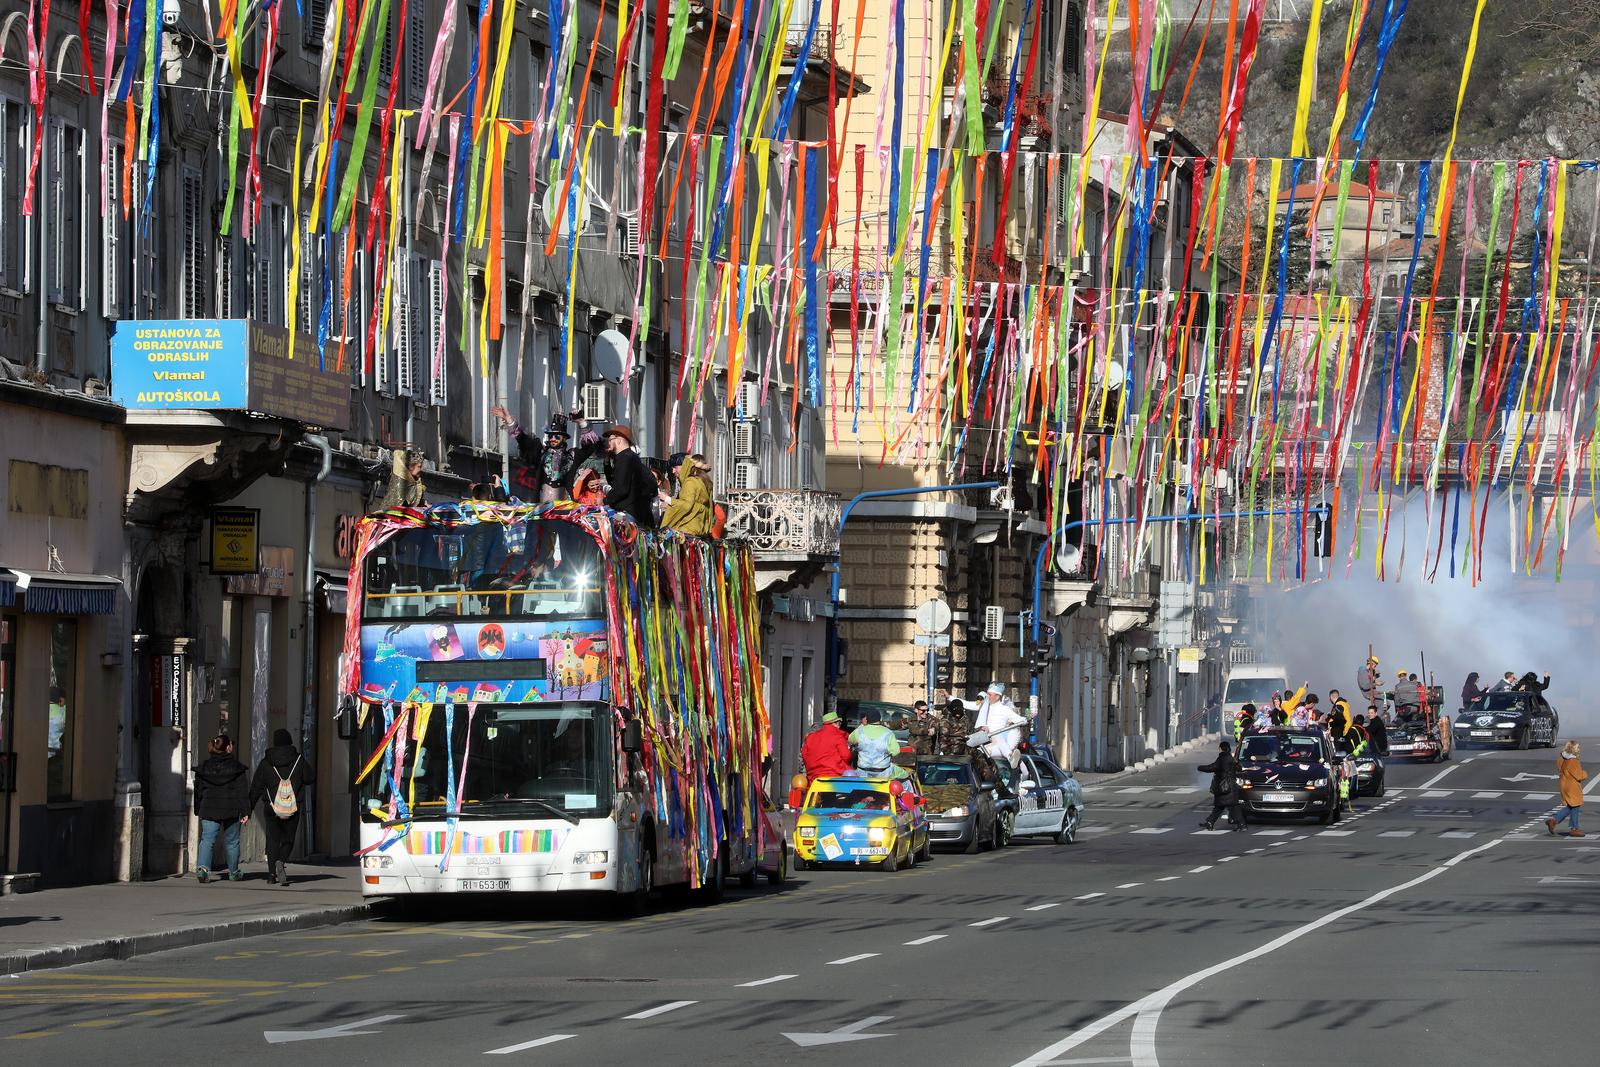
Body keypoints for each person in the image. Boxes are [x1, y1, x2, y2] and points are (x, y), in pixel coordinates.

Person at [490, 405, 601, 502]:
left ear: (564, 438)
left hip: (565, 509)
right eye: (550, 436)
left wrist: (582, 422)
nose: (553, 439)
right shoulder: (541, 453)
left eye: (557, 436)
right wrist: (510, 422)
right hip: (542, 508)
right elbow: (523, 440)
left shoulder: (572, 456)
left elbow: (590, 447)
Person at [249, 728, 308, 886]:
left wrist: (248, 809)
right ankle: (281, 861)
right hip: (293, 807)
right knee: (288, 839)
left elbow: (256, 785)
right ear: (289, 741)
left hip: (271, 806)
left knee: (273, 840)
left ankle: (270, 875)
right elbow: (310, 777)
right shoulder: (298, 760)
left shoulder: (266, 762)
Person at [194, 734, 250, 883]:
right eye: (231, 744)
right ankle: (233, 872)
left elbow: (198, 790)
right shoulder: (236, 768)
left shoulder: (205, 767)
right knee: (232, 841)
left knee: (207, 839)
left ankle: (203, 869)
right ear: (228, 748)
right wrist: (245, 811)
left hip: (209, 808)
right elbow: (242, 791)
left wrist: (197, 807)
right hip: (231, 808)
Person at [600, 426, 656, 528]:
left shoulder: (624, 458)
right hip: (635, 513)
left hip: (626, 513)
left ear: (619, 440)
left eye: (610, 439)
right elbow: (615, 482)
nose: (608, 442)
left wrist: (604, 501)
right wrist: (607, 463)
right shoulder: (631, 457)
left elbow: (621, 489)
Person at [974, 682, 1028, 768]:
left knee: (998, 737)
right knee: (977, 753)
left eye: (990, 695)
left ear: (997, 696)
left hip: (1000, 741)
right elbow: (970, 705)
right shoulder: (985, 706)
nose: (987, 696)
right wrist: (950, 697)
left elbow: (1021, 720)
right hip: (987, 742)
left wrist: (1026, 719)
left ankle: (1010, 758)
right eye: (987, 694)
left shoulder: (1004, 709)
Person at [660, 454, 714, 535]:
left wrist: (667, 499)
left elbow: (686, 505)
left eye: (675, 467)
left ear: (685, 466)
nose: (673, 471)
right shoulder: (703, 482)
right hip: (698, 529)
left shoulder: (690, 482)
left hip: (687, 529)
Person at [1199, 741, 1245, 831]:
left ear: (1220, 748)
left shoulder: (1222, 758)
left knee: (1229, 806)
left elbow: (1213, 767)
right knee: (1223, 806)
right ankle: (1210, 822)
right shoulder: (1232, 758)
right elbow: (1239, 768)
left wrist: (1200, 768)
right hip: (1231, 785)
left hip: (1224, 786)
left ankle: (1241, 824)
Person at [1547, 741, 1587, 838]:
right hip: (1572, 787)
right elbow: (1579, 776)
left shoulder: (1561, 759)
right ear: (1572, 749)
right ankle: (1574, 829)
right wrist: (1585, 773)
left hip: (1564, 786)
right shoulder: (1573, 761)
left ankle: (1553, 821)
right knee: (1576, 806)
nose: (1579, 749)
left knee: (1571, 806)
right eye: (1577, 747)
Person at [848, 707, 902, 777]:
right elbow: (896, 751)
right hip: (882, 772)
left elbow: (850, 740)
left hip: (862, 771)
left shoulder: (859, 731)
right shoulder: (888, 733)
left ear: (867, 719)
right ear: (880, 719)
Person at [800, 711, 852, 782]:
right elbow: (846, 756)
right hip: (834, 775)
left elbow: (804, 755)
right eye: (839, 724)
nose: (839, 726)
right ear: (835, 723)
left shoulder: (810, 737)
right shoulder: (837, 735)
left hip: (813, 776)